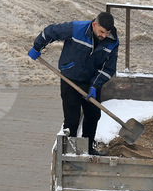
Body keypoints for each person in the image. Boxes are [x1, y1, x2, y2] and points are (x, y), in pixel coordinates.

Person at [28, 11, 118, 155]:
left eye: (107, 32)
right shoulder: (76, 29)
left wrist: (95, 86)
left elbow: (108, 68)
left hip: (90, 81)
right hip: (70, 78)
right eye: (101, 31)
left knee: (93, 115)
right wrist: (37, 47)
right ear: (94, 24)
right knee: (72, 118)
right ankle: (71, 151)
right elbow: (51, 31)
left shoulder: (112, 41)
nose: (104, 35)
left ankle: (87, 149)